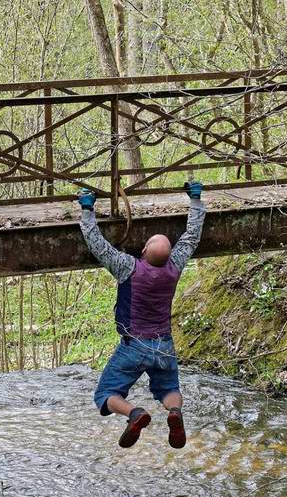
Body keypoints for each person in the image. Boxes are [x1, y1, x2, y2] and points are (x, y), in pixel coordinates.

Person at [77, 179, 206, 448]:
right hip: (164, 345)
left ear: (144, 250)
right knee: (169, 389)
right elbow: (191, 237)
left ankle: (133, 412)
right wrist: (195, 199)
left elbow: (97, 243)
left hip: (133, 345)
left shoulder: (127, 267)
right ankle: (174, 412)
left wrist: (87, 208)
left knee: (106, 393)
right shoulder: (175, 266)